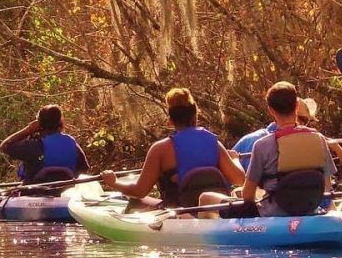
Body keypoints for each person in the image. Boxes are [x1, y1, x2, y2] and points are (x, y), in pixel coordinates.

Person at [102, 87, 244, 210]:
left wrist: (114, 183)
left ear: (170, 121)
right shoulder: (214, 143)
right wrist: (235, 159)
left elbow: (139, 191)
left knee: (136, 200)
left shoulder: (160, 149)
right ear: (195, 116)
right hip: (213, 210)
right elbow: (240, 179)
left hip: (179, 212)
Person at [227, 82, 337, 217]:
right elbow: (327, 186)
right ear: (297, 106)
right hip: (310, 210)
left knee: (207, 197)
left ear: (271, 110)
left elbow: (247, 196)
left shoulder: (261, 145)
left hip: (272, 216)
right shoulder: (319, 139)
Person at [0, 105, 89, 184]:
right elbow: (84, 168)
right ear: (60, 123)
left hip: (36, 194)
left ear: (39, 125)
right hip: (66, 192)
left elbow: (5, 146)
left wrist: (28, 130)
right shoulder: (72, 142)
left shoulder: (35, 145)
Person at [231, 97, 318, 167]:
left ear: (273, 112)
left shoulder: (250, 140)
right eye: (303, 120)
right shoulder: (313, 143)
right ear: (294, 115)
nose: (304, 125)